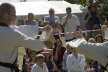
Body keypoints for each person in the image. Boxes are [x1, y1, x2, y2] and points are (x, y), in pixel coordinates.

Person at [0, 3, 44, 72]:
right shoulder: (12, 34)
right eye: (13, 14)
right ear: (6, 15)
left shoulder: (10, 30)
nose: (15, 16)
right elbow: (34, 44)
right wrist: (45, 40)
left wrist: (41, 29)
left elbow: (21, 28)